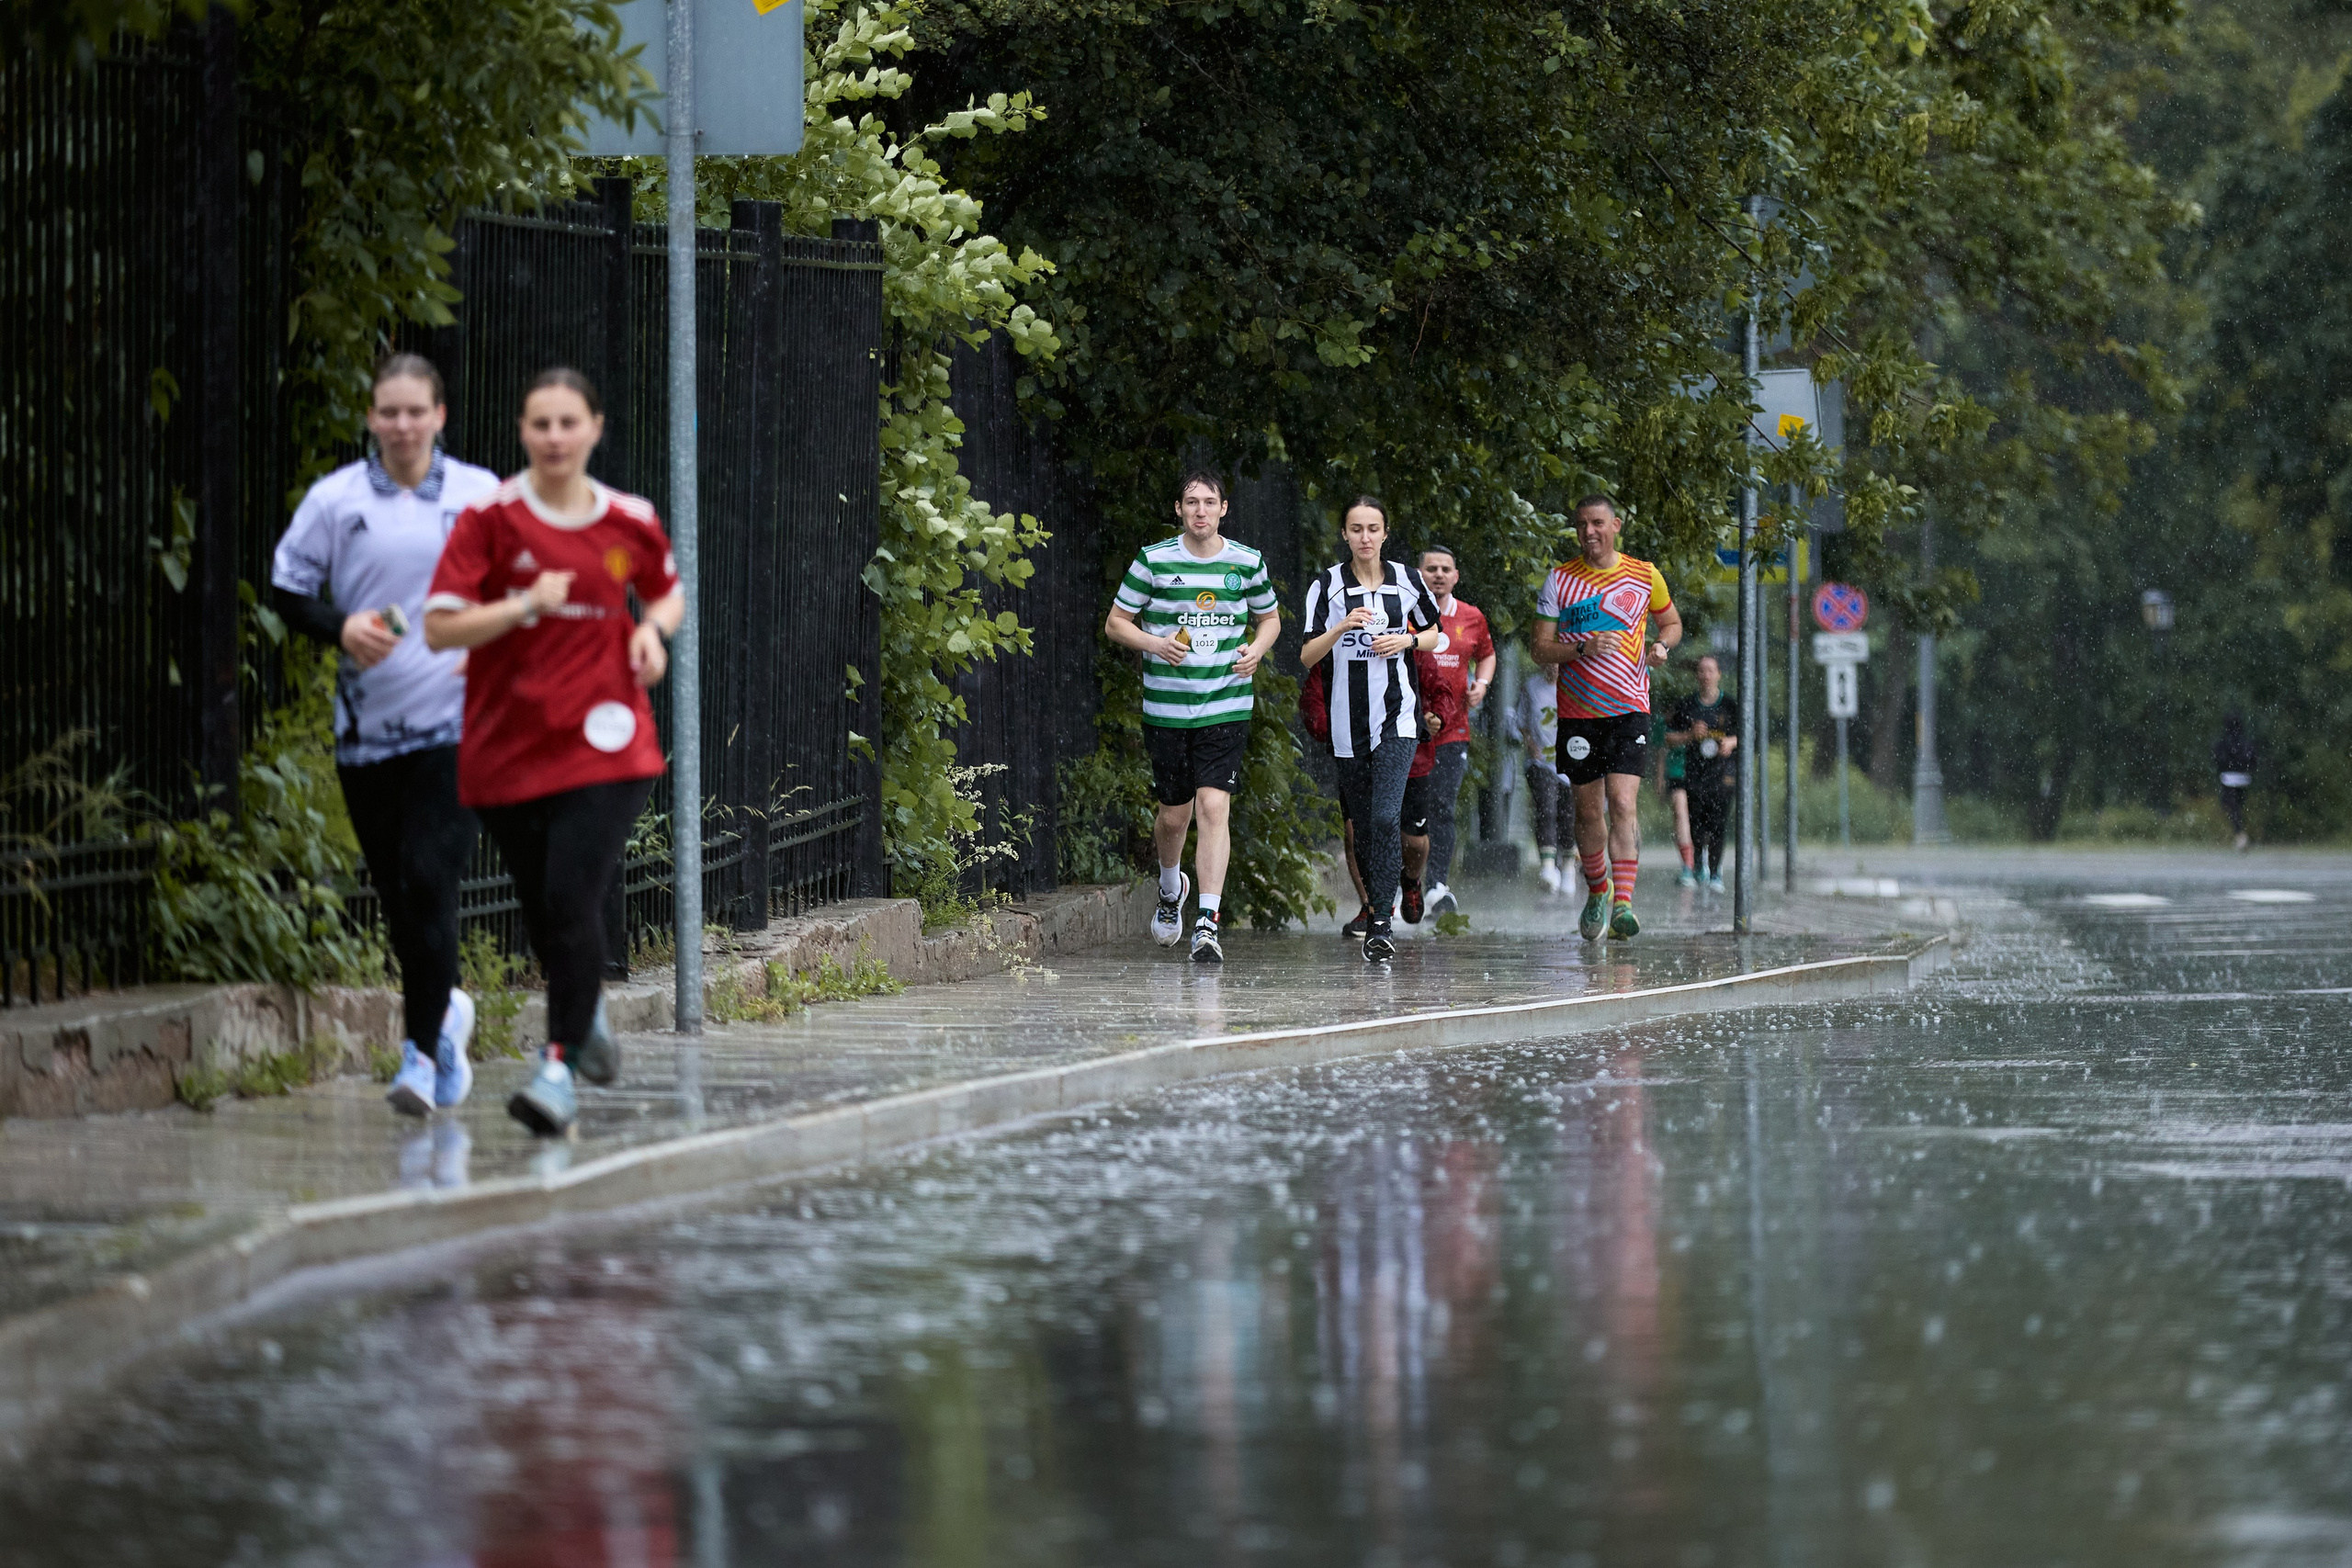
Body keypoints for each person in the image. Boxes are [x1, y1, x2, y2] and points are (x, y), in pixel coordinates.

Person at [424, 367, 684, 1136]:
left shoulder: (629, 519)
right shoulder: (492, 519)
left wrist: (650, 631)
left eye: (569, 422)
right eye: (541, 424)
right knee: (544, 906)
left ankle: (557, 1067)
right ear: (522, 432)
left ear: (595, 428)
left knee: (572, 896)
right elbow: (440, 626)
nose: (555, 437)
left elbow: (665, 587)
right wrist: (521, 605)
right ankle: (588, 1013)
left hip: (607, 744)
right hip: (507, 748)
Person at [271, 354, 500, 1119]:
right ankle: (449, 1019)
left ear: (440, 416)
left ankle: (419, 1057)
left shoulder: (480, 497)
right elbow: (288, 589)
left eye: (416, 411)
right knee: (402, 894)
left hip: (459, 724)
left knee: (429, 875)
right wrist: (343, 626)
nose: (402, 425)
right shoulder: (336, 502)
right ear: (372, 418)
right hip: (366, 732)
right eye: (388, 412)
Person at [1104, 470, 1281, 964]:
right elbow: (1116, 623)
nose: (1200, 510)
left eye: (1209, 502)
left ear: (1224, 508)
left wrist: (1257, 651)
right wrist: (1155, 643)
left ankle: (1207, 922)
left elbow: (1270, 618)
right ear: (1179, 509)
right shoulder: (1154, 561)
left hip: (1226, 703)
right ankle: (1169, 886)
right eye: (1191, 502)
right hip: (1167, 708)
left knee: (1213, 807)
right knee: (1174, 815)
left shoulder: (1246, 563)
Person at [1532, 493, 1681, 940]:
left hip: (1630, 709)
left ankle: (1623, 905)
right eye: (1581, 525)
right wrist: (1580, 648)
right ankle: (1598, 889)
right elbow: (1539, 647)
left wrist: (1662, 647)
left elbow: (1670, 622)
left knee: (1622, 803)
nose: (1589, 532)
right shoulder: (1559, 580)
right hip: (1579, 713)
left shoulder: (1643, 573)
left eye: (1597, 523)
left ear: (1616, 525)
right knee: (1588, 811)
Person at [1303, 497, 1444, 962]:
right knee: (1363, 828)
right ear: (1344, 534)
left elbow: (1435, 634)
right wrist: (1341, 627)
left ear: (1385, 533)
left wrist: (1405, 639)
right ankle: (1376, 908)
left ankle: (1381, 921)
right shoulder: (1326, 585)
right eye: (1356, 529)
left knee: (1386, 817)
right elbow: (1305, 655)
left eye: (1373, 529)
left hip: (1398, 718)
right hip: (1347, 724)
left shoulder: (1406, 579)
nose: (1365, 537)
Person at [1407, 544, 1496, 918]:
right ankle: (1401, 887)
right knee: (1405, 811)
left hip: (1453, 732)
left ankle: (1437, 886)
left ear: (1456, 576)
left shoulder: (1472, 617)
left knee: (1442, 807)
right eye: (1431, 569)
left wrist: (1482, 684)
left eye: (1446, 569)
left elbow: (1488, 654)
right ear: (1419, 574)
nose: (1439, 575)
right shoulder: (1404, 615)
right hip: (1407, 730)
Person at [1666, 654, 1739, 891]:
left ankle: (1716, 872)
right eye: (1702, 671)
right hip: (1694, 773)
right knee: (1696, 823)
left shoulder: (1730, 705)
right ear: (1697, 675)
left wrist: (1730, 743)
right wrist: (1690, 734)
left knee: (1718, 823)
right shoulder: (1687, 705)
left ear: (1719, 674)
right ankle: (1698, 866)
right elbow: (1668, 738)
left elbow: (1747, 734)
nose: (1706, 675)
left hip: (1723, 773)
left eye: (1711, 670)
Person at [1509, 663, 1571, 891]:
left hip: (1570, 763)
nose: (1554, 667)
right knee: (1546, 809)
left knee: (1569, 816)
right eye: (1550, 661)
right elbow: (1521, 720)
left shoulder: (1574, 685)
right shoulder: (1531, 687)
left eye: (1558, 662)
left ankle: (1567, 867)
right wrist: (1529, 742)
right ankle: (1547, 866)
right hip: (1540, 762)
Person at [2214, 712, 2256, 852]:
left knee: (2233, 808)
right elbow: (2252, 760)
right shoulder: (2244, 742)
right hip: (2243, 778)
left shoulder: (2225, 742)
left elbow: (2218, 759)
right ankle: (2240, 834)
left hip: (2229, 778)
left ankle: (2240, 835)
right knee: (2237, 807)